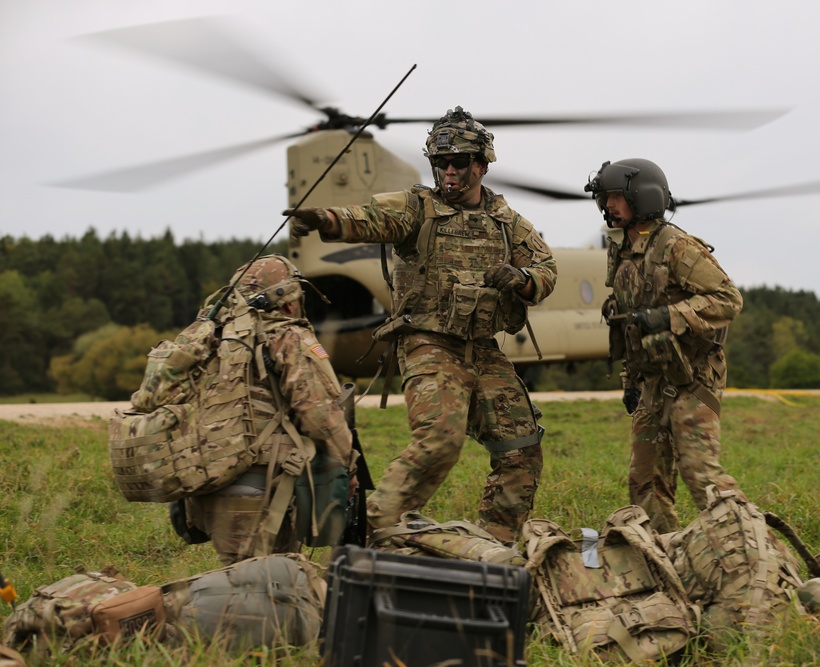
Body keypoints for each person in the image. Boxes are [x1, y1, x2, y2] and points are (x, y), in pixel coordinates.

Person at [284, 107, 557, 544]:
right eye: (442, 162)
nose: (449, 171)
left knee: (522, 445)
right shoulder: (417, 209)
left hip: (483, 348)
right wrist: (324, 220)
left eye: (460, 162)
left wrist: (523, 280)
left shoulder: (508, 224)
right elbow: (370, 217)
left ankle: (496, 543)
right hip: (428, 343)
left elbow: (546, 269)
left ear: (482, 165)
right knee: (441, 440)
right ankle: (367, 536)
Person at [585, 158, 745, 533]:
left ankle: (746, 545)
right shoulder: (621, 251)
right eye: (604, 198)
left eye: (615, 197)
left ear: (641, 197)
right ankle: (664, 554)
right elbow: (628, 324)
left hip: (692, 378)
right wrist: (630, 382)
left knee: (700, 473)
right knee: (644, 483)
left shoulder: (676, 246)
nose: (608, 205)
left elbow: (728, 299)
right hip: (651, 381)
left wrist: (670, 316)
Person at [180, 254, 355, 564]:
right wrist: (347, 467)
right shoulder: (289, 337)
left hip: (206, 485)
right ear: (288, 302)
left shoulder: (208, 339)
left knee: (239, 582)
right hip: (266, 490)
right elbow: (320, 417)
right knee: (271, 593)